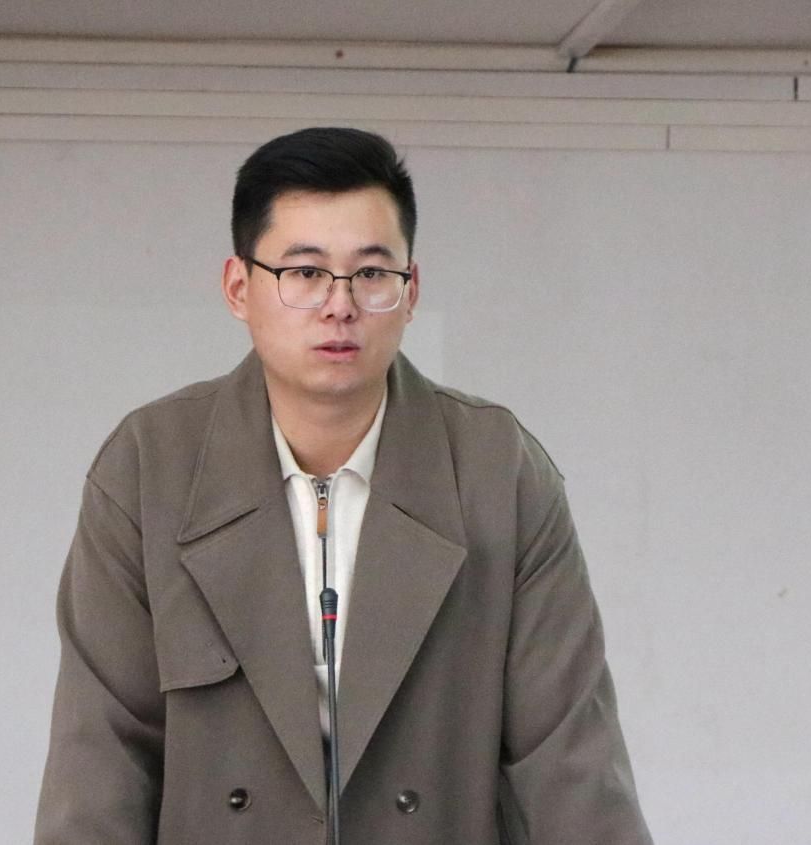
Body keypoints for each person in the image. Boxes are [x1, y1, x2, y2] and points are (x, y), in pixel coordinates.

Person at [34, 127, 651, 844]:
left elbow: (573, 766)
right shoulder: (151, 466)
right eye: (304, 272)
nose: (339, 305)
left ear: (410, 291)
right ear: (239, 287)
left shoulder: (496, 469)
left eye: (371, 273)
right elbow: (98, 767)